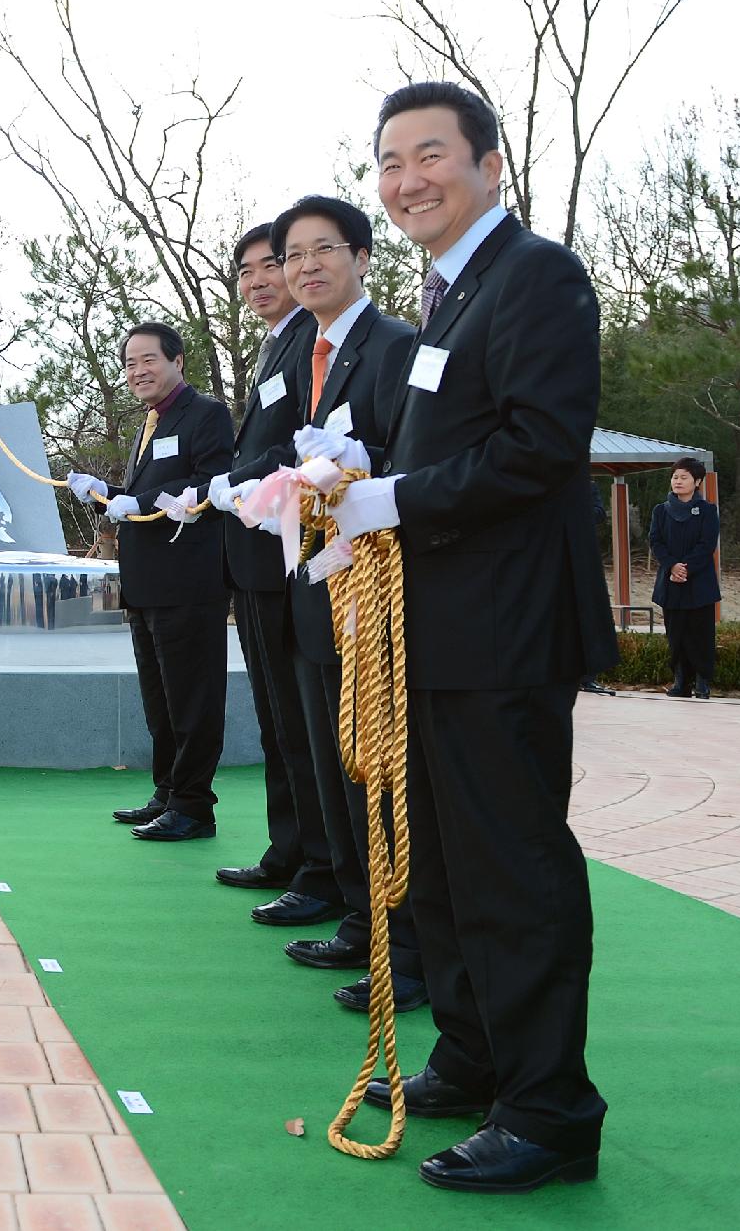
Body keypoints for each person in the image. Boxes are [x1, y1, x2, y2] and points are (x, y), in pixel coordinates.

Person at [336, 81, 615, 1193]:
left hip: (504, 630)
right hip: (433, 631)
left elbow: (543, 445)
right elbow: (430, 453)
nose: (407, 180)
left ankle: (548, 1110)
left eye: (430, 154)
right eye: (390, 162)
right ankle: (475, 1052)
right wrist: (352, 483)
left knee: (511, 865)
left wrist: (394, 501)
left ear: (488, 164)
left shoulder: (534, 275)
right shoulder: (447, 298)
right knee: (445, 863)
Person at [263, 195, 427, 1018]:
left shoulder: (396, 345)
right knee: (337, 758)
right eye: (293, 256)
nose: (306, 267)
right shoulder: (307, 352)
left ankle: (409, 946)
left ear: (362, 257)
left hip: (377, 587)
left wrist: (363, 463)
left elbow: (421, 452)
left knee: (380, 763)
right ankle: (364, 922)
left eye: (323, 249)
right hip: (320, 581)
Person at [207, 223, 333, 923]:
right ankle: (291, 851)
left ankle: (319, 865)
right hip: (255, 552)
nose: (257, 281)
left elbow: (292, 443)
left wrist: (236, 478)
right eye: (247, 271)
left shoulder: (307, 342)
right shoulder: (275, 346)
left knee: (298, 716)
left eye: (269, 266)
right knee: (278, 717)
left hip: (286, 552)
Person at [67, 322, 234, 842]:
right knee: (159, 698)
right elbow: (151, 489)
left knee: (192, 696)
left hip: (189, 582)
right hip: (145, 586)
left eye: (149, 360)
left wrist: (137, 502)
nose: (138, 372)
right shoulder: (150, 423)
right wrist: (106, 492)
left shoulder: (205, 415)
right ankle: (167, 791)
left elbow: (211, 484)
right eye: (130, 363)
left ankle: (193, 805)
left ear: (178, 361)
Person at [650, 457, 720, 699]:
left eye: (684, 477)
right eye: (675, 477)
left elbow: (706, 544)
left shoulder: (708, 511)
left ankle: (702, 682)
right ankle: (681, 681)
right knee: (676, 633)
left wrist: (686, 568)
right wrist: (672, 566)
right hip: (671, 582)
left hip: (699, 582)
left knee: (700, 634)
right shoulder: (661, 510)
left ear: (697, 481)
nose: (678, 481)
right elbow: (656, 542)